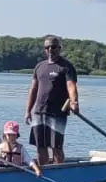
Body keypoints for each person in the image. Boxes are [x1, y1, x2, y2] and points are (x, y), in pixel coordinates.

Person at [24, 34, 79, 166]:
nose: (50, 50)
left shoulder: (66, 67)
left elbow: (71, 86)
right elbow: (33, 89)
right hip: (38, 112)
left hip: (57, 114)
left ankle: (59, 171)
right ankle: (44, 172)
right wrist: (27, 111)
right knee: (40, 147)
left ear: (59, 48)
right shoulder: (39, 67)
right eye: (47, 47)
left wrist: (74, 102)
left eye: (53, 47)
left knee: (56, 147)